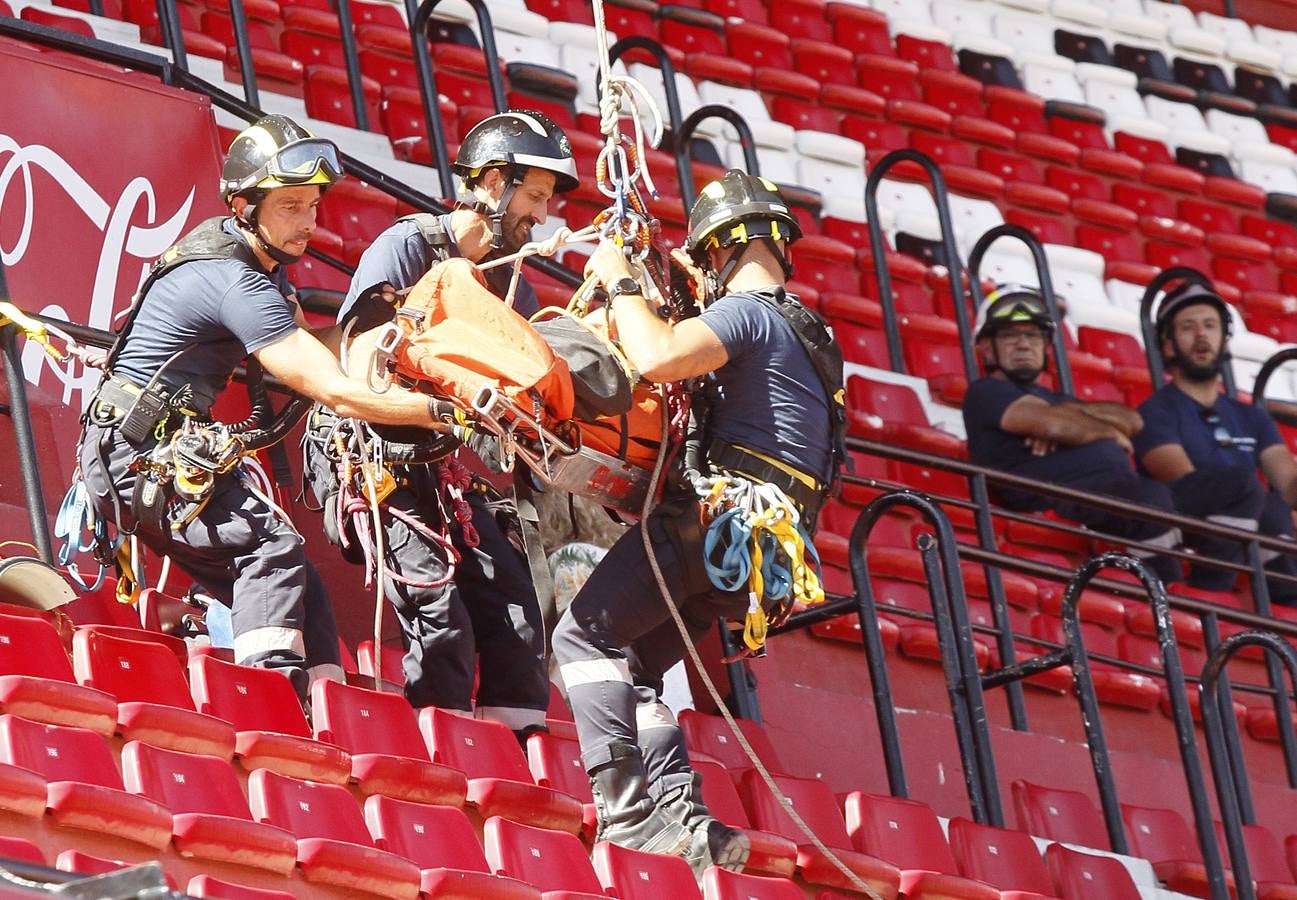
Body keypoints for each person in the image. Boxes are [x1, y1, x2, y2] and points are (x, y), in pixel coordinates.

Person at [77, 115, 449, 700]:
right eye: (292, 207)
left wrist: (398, 336)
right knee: (270, 546)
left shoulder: (257, 271)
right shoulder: (233, 279)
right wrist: (443, 411)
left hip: (148, 452)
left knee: (301, 586)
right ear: (245, 206)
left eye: (313, 206)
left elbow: (319, 348)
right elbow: (333, 386)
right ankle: (269, 704)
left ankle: (323, 719)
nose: (309, 222)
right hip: (136, 455)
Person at [551, 170, 845, 875]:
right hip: (757, 559)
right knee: (638, 664)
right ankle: (685, 819)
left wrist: (620, 281)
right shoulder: (813, 335)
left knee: (581, 632)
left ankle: (625, 816)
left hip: (713, 522)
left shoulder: (748, 313)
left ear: (718, 251)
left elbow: (653, 357)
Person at [303, 110, 579, 733]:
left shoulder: (513, 289)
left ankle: (514, 775)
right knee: (441, 615)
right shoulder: (407, 246)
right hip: (373, 458)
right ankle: (442, 772)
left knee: (515, 612)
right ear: (489, 183)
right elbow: (359, 361)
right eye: (534, 195)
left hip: (446, 467)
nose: (542, 215)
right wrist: (449, 385)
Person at [961, 285, 1184, 584]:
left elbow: (1131, 420)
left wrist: (1078, 424)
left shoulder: (1061, 402)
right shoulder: (986, 392)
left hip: (1109, 491)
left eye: (1033, 335)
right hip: (1057, 499)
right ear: (987, 348)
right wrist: (1100, 430)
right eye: (1010, 335)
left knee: (1225, 493)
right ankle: (1166, 600)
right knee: (1150, 498)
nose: (1024, 344)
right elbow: (1055, 426)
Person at [1134, 280, 1297, 603]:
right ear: (1167, 345)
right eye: (1188, 327)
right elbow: (1182, 481)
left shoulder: (1253, 417)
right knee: (1251, 492)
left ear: (1225, 339)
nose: (1201, 335)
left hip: (1252, 525)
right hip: (1194, 523)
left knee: (1276, 507)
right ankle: (1211, 595)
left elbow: (1289, 482)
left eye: (1210, 325)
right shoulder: (1155, 411)